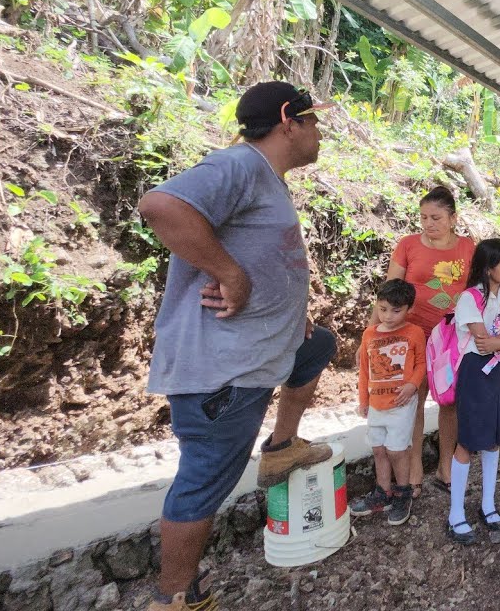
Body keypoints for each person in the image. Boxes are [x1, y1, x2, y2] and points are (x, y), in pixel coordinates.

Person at [139, 82, 336, 611]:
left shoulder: (265, 178)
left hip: (262, 352)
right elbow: (161, 206)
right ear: (288, 122)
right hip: (224, 370)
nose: (320, 131)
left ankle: (280, 449)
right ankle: (174, 598)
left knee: (319, 347)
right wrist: (229, 274)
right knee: (206, 479)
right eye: (313, 120)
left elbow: (264, 257)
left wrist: (293, 314)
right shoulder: (241, 165)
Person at [378, 187, 475, 497]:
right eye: (423, 218)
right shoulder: (407, 245)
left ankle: (446, 465)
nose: (428, 224)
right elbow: (388, 291)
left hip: (450, 337)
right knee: (414, 403)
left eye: (436, 218)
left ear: (452, 218)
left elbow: (475, 294)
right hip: (412, 335)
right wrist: (373, 334)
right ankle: (415, 467)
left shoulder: (467, 248)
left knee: (449, 402)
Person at [447, 239, 500, 545]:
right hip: (476, 373)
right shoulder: (469, 299)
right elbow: (483, 343)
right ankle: (456, 514)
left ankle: (487, 505)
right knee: (468, 441)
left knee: (496, 439)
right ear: (489, 268)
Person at [349, 279, 426, 526]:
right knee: (379, 450)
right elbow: (364, 370)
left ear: (409, 309)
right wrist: (363, 400)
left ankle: (403, 493)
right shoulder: (369, 334)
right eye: (382, 309)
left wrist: (412, 384)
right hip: (376, 405)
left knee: (396, 450)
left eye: (396, 310)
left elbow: (422, 364)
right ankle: (383, 493)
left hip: (401, 404)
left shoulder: (414, 333)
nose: (388, 316)